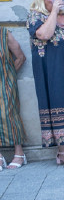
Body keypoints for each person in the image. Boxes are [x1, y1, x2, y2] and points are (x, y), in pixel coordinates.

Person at [0, 26, 27, 169]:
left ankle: (19, 153)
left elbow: (21, 57)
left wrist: (8, 76)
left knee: (9, 114)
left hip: (5, 82)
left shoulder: (4, 34)